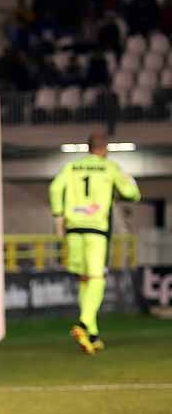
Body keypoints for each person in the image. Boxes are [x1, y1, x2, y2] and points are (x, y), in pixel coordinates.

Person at [48, 132, 141, 354]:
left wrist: (59, 214)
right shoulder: (110, 168)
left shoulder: (72, 167)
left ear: (87, 148)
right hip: (96, 229)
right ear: (105, 148)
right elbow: (131, 194)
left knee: (84, 278)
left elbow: (54, 188)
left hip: (73, 228)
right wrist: (130, 184)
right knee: (98, 277)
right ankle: (83, 322)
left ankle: (92, 333)